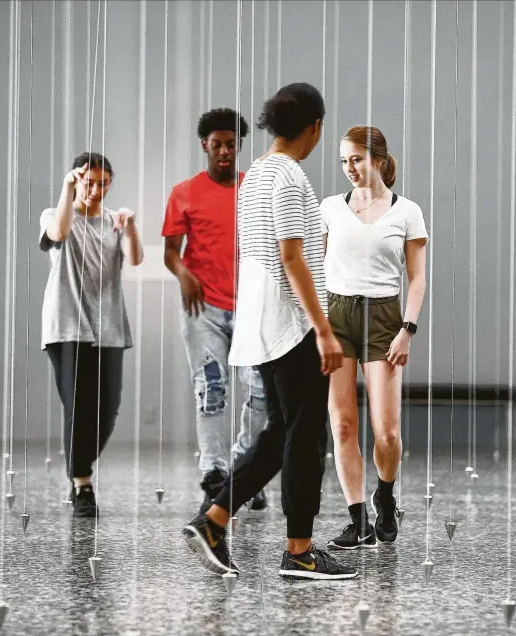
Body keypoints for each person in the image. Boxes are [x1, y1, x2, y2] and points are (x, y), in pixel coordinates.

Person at [182, 83, 357, 581]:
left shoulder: (255, 174)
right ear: (315, 127)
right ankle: (299, 552)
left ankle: (214, 520)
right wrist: (322, 329)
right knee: (305, 436)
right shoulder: (288, 177)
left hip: (260, 320)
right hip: (291, 322)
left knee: (280, 429)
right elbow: (291, 255)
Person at [321, 126, 428, 549]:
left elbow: (417, 280)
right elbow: (314, 265)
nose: (350, 168)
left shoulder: (408, 212)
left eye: (357, 160)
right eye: (344, 161)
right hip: (336, 314)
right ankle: (357, 519)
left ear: (379, 160)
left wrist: (407, 329)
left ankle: (385, 495)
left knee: (386, 431)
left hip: (385, 317)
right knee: (343, 424)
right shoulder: (330, 207)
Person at [162, 108, 268, 513]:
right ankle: (214, 472)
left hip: (251, 309)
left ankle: (247, 468)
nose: (224, 151)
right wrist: (184, 274)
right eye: (217, 144)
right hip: (203, 309)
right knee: (211, 390)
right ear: (205, 145)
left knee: (260, 392)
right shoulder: (185, 192)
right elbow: (172, 253)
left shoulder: (253, 190)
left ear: (239, 146)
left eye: (231, 144)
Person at [40, 152, 143, 517]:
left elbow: (134, 259)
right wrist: (68, 189)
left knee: (108, 410)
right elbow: (60, 233)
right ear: (77, 182)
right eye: (89, 183)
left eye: (103, 183)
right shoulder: (56, 213)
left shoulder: (115, 220)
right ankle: (82, 483)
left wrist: (129, 227)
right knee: (80, 406)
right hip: (67, 327)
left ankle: (77, 466)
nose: (97, 190)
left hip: (109, 329)